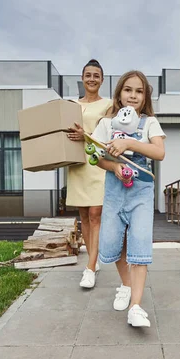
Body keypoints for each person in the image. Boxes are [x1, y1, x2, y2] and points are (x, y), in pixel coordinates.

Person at [91, 70, 166, 327]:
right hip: (114, 192)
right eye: (128, 90)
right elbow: (95, 155)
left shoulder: (149, 123)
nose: (133, 95)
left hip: (141, 194)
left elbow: (159, 152)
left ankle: (136, 305)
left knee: (140, 241)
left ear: (145, 97)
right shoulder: (106, 124)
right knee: (113, 242)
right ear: (119, 94)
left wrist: (129, 145)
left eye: (139, 91)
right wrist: (113, 167)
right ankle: (125, 284)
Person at [66, 59, 113, 289]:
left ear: (102, 80)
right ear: (82, 78)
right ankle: (93, 257)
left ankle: (90, 267)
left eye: (96, 75)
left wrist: (86, 135)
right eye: (88, 75)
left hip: (98, 162)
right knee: (84, 215)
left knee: (96, 213)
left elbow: (110, 134)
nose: (92, 79)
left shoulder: (109, 104)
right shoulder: (72, 105)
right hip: (77, 164)